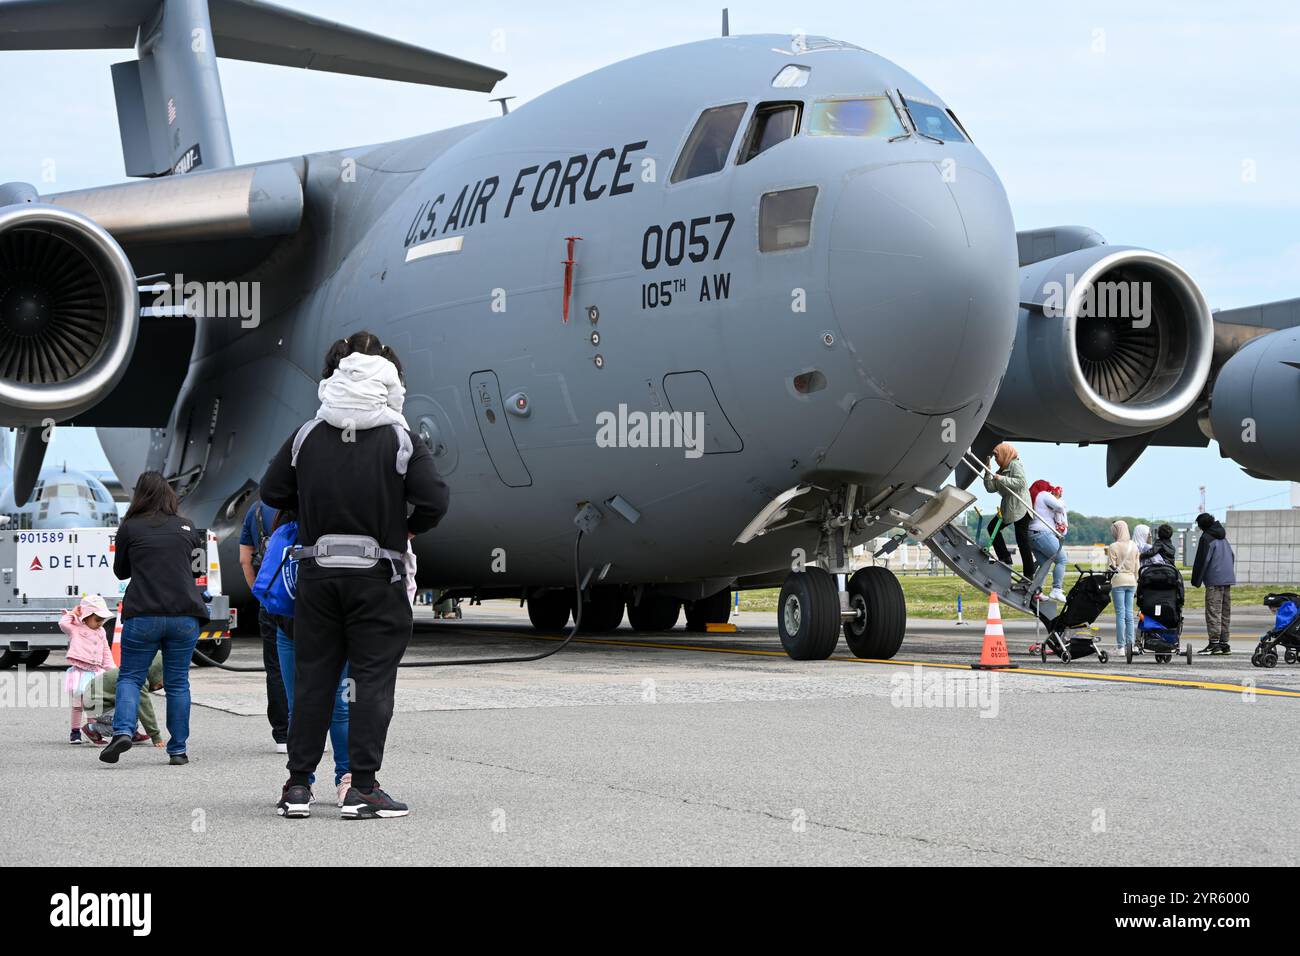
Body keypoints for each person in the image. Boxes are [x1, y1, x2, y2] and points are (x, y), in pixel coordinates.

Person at [260, 331, 449, 819]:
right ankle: (361, 786)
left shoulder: (307, 435)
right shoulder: (399, 438)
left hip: (317, 577)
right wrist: (403, 528)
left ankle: (298, 786)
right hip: (376, 577)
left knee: (313, 679)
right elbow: (435, 499)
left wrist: (315, 507)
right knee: (369, 682)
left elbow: (272, 490)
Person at [100, 472, 210, 766]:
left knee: (131, 678)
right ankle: (178, 750)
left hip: (143, 614)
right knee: (178, 684)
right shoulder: (188, 527)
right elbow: (198, 570)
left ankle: (122, 731)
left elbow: (121, 572)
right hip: (184, 615)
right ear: (169, 496)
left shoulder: (130, 528)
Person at [262, 509, 354, 808]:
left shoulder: (283, 529)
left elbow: (265, 579)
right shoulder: (340, 524)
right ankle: (347, 780)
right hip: (335, 631)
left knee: (297, 708)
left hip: (290, 628)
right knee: (340, 709)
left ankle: (300, 784)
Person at [239, 495, 290, 753]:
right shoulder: (310, 498)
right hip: (308, 600)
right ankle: (313, 729)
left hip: (271, 601)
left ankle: (282, 734)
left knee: (275, 667)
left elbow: (245, 560)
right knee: (314, 666)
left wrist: (260, 594)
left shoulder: (256, 510)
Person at [81, 652, 166, 748]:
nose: (161, 686)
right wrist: (155, 736)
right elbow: (145, 708)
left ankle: (131, 733)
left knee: (131, 707)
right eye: (162, 681)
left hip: (101, 698)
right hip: (96, 703)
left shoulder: (134, 671)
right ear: (155, 671)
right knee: (123, 722)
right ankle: (92, 729)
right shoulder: (138, 680)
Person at [61, 595, 114, 745]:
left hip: (96, 673)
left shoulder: (101, 632)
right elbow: (63, 624)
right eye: (97, 619)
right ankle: (75, 732)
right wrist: (73, 613)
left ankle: (92, 730)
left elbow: (106, 652)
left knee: (94, 705)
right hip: (80, 672)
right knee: (78, 705)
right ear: (86, 615)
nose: (100, 623)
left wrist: (112, 670)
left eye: (102, 620)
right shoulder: (76, 627)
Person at [982, 442, 1036, 584]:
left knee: (1022, 541)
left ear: (1005, 453)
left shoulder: (1014, 465)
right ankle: (1005, 557)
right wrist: (988, 472)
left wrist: (1002, 478)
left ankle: (1029, 575)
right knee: (992, 528)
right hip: (1008, 507)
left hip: (1020, 506)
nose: (995, 459)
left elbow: (1021, 483)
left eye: (996, 456)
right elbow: (990, 488)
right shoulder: (1002, 469)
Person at [1191, 512, 1236, 655]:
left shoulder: (1207, 538)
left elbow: (1202, 560)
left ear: (1202, 525)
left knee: (1213, 611)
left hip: (1214, 579)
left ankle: (1214, 644)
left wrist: (1196, 580)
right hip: (1227, 578)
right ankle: (1224, 644)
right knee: (1225, 612)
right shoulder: (1223, 536)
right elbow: (1232, 555)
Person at [1026, 480, 1068, 602]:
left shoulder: (1033, 498)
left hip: (1031, 535)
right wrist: (1060, 500)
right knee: (1062, 559)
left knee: (1045, 563)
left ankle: (1036, 591)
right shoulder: (1043, 494)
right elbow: (1060, 506)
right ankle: (1056, 589)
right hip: (1043, 533)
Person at [1107, 520, 1140, 652]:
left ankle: (1120, 646)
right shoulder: (1134, 546)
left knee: (1120, 614)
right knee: (1129, 615)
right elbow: (1137, 568)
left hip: (1118, 581)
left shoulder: (1113, 546)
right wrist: (1136, 582)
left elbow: (1110, 566)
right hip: (1132, 581)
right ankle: (1130, 645)